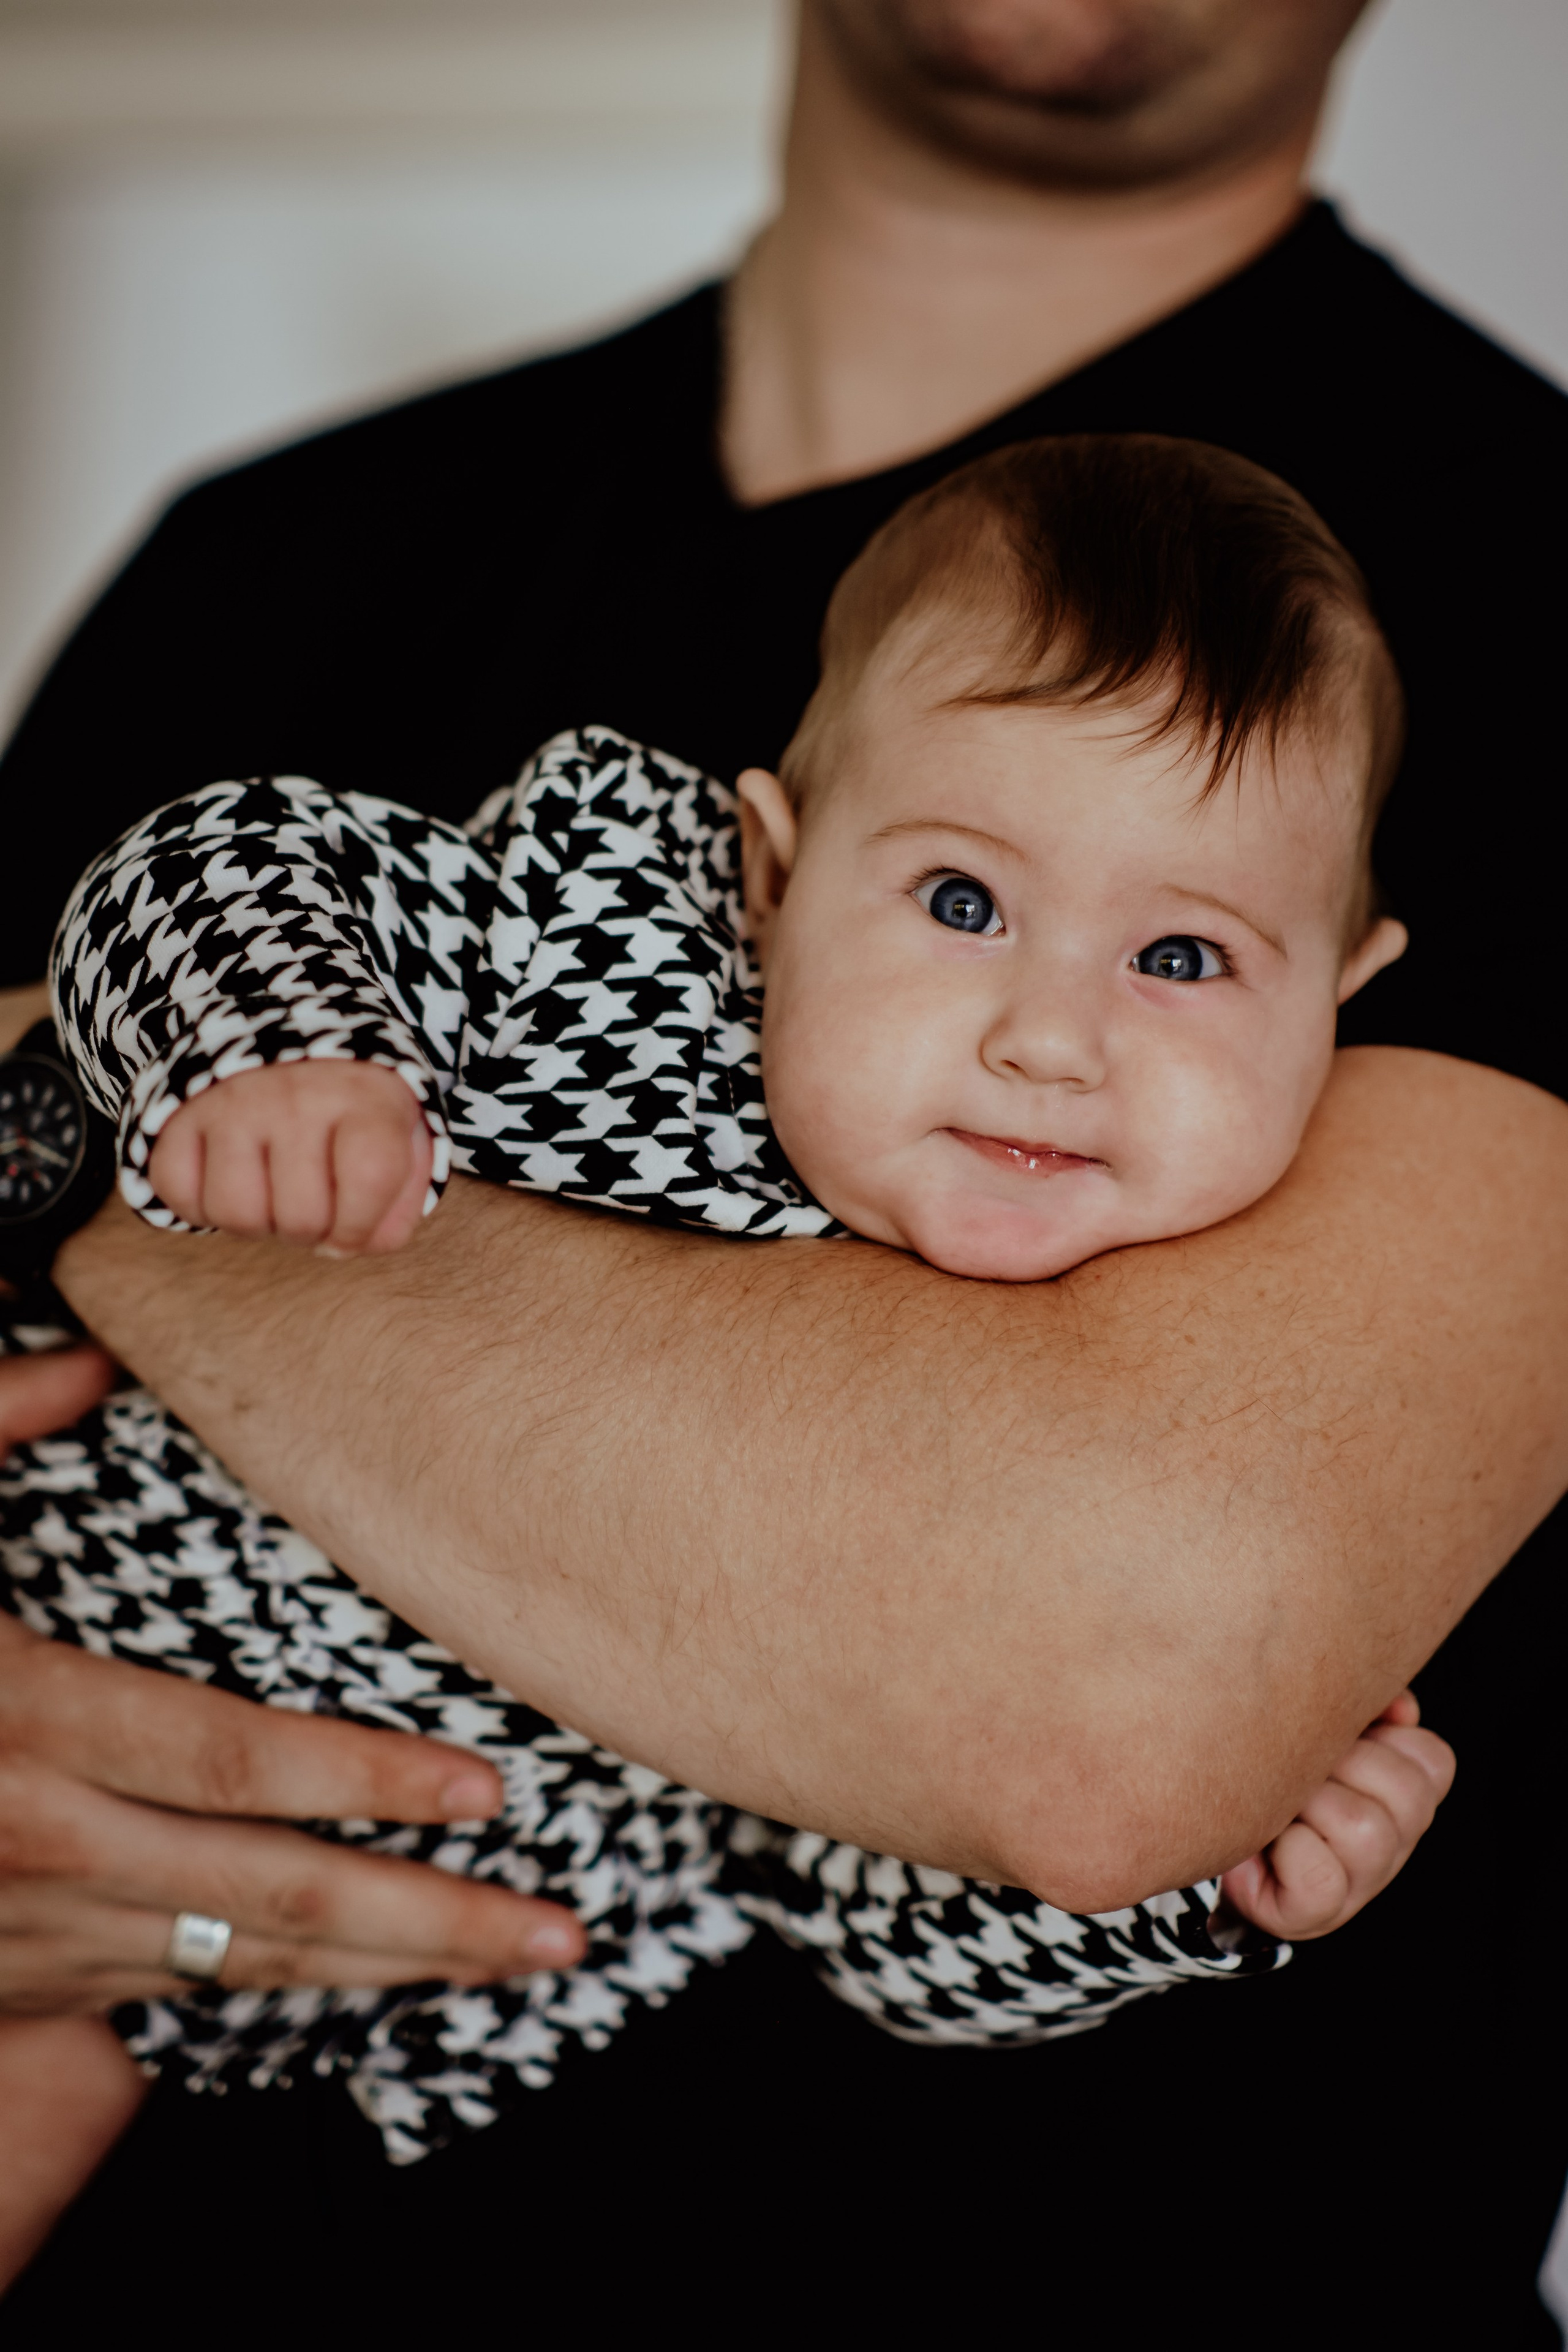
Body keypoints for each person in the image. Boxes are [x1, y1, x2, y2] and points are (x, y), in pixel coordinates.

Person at [0, 0, 1564, 2333]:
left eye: (1184, 957)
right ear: (767, 865)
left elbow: (1082, 1718)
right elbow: (224, 898)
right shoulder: (289, 577)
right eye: (952, 904)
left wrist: (1204, 1882)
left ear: (1348, 984)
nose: (1053, 1033)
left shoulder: (1514, 595)